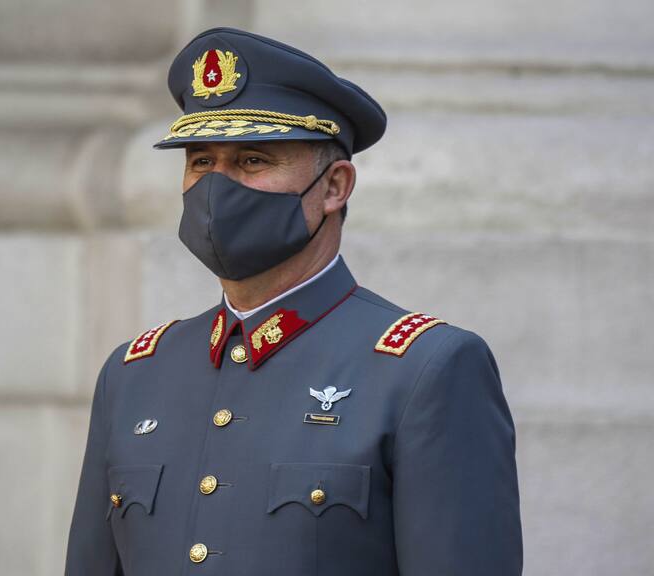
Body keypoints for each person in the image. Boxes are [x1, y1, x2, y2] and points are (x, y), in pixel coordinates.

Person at [65, 27, 523, 576]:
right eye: (201, 162)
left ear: (334, 187)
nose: (216, 188)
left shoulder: (425, 370)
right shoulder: (134, 374)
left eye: (253, 161)